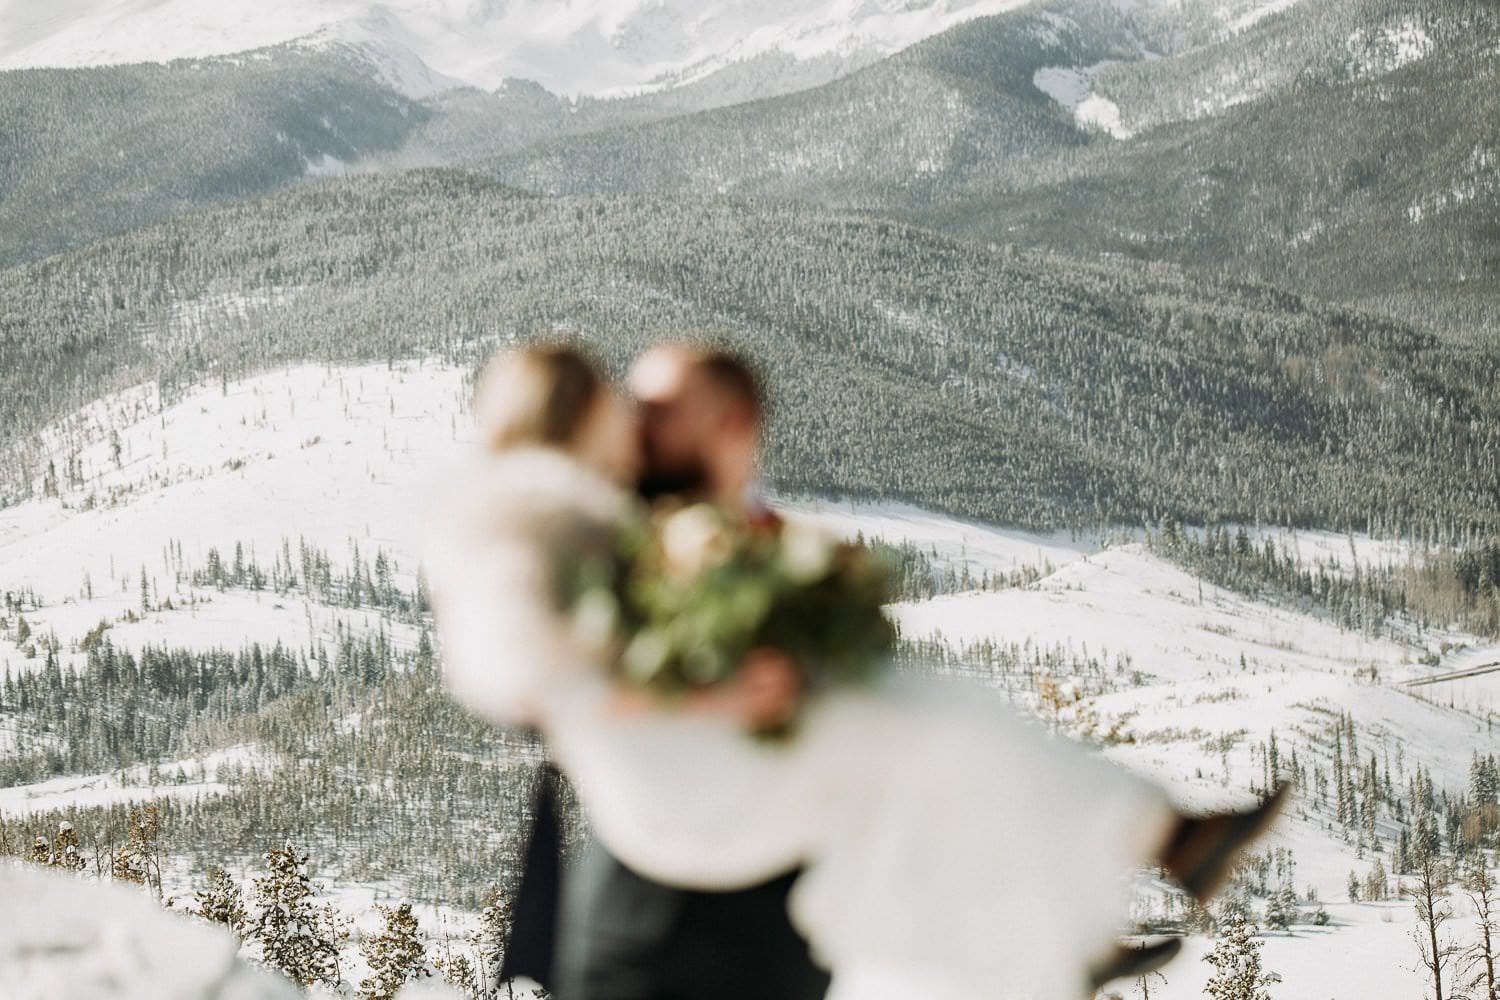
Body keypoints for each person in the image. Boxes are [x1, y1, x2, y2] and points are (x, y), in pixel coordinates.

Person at [423, 342, 1289, 1000]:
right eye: (623, 410)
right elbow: (521, 673)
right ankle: (1147, 854)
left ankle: (1070, 934)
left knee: (910, 777)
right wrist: (711, 692)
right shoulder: (536, 513)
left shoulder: (593, 512)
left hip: (716, 813)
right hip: (671, 819)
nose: (634, 431)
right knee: (926, 720)